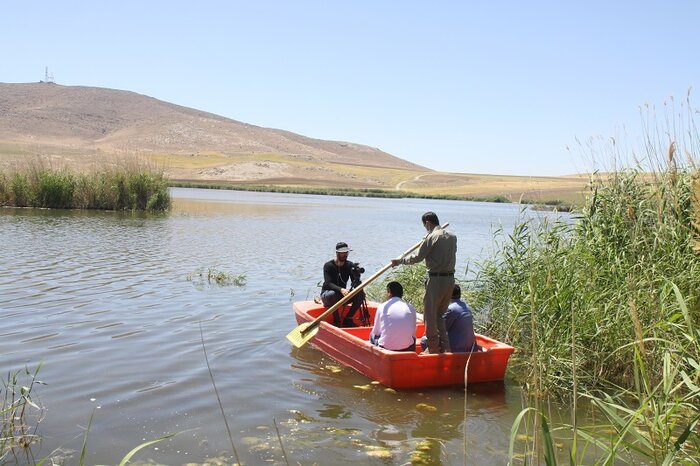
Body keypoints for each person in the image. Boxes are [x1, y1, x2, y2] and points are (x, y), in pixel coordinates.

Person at [391, 212, 456, 354]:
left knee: (430, 315)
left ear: (427, 223)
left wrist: (400, 261)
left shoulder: (432, 237)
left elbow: (418, 258)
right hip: (450, 279)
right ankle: (446, 347)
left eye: (425, 226)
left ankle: (432, 349)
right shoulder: (452, 237)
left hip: (436, 279)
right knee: (440, 315)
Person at [420, 284, 481, 353]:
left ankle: (434, 361)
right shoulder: (466, 306)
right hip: (471, 348)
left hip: (456, 349)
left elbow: (439, 330)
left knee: (424, 340)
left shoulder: (450, 309)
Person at [321, 241, 366, 326]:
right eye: (342, 253)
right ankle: (337, 321)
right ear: (337, 253)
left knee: (361, 294)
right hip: (328, 295)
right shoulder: (328, 265)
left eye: (346, 252)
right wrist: (341, 289)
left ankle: (348, 319)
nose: (345, 255)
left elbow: (354, 281)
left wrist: (357, 277)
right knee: (333, 294)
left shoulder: (349, 265)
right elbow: (328, 283)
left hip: (342, 295)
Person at [369, 281, 417, 351]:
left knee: (372, 335)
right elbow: (413, 332)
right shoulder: (410, 307)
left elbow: (376, 332)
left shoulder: (382, 307)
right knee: (413, 338)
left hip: (386, 347)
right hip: (407, 348)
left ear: (389, 292)